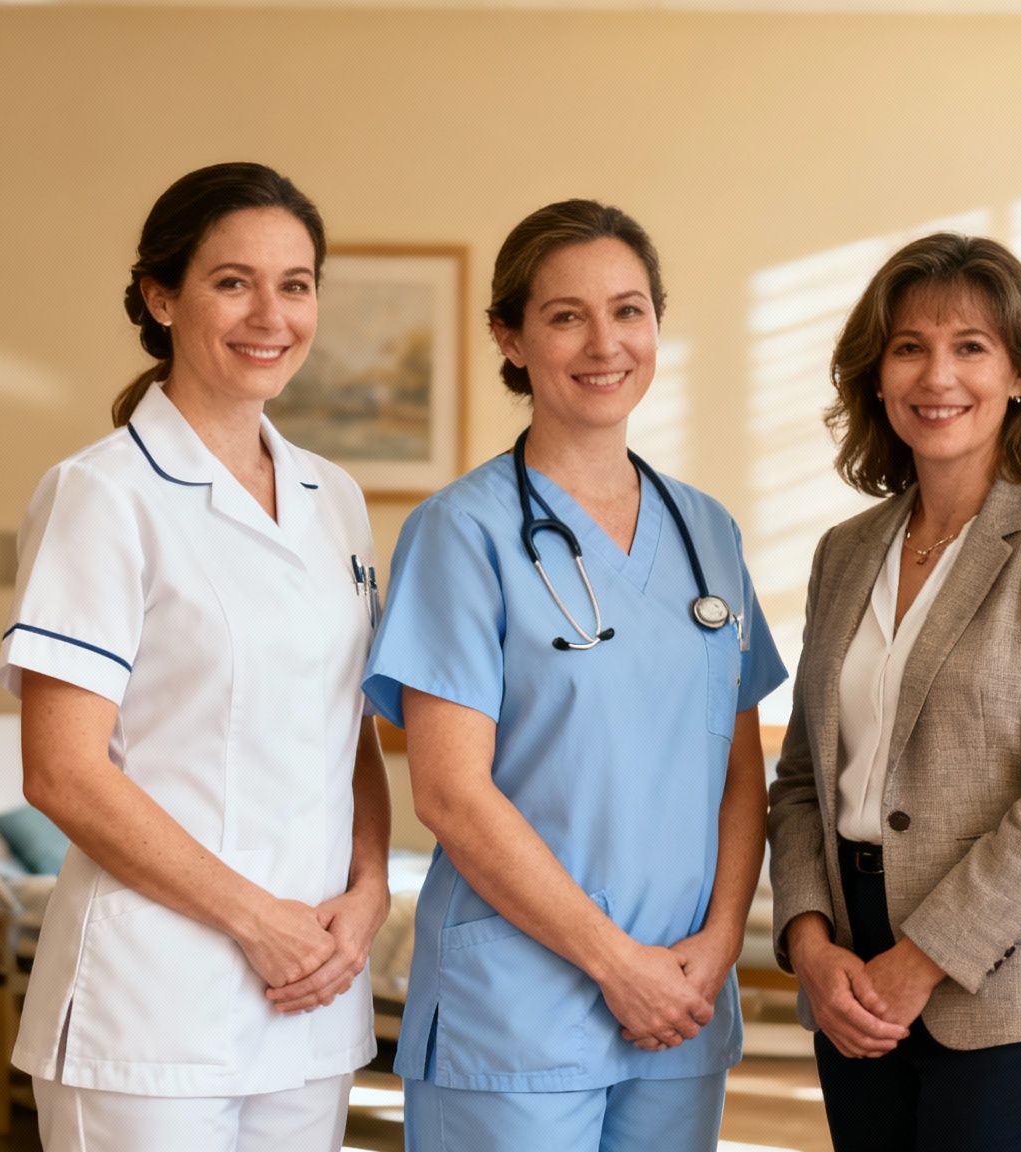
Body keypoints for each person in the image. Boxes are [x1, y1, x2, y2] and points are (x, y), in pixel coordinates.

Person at [362, 199, 787, 1152]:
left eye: (629, 311)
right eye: (565, 316)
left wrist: (716, 949)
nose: (605, 342)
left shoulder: (706, 531)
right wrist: (616, 965)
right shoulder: (460, 534)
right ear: (509, 338)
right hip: (521, 1010)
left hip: (680, 1002)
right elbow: (449, 793)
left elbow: (737, 769)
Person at [0, 162, 390, 1151]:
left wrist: (370, 886)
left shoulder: (332, 498)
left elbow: (350, 729)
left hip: (308, 1004)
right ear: (159, 295)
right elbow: (62, 772)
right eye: (232, 282)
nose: (271, 314)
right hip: (152, 1007)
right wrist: (259, 920)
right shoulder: (101, 494)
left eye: (294, 284)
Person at [767, 233, 1021, 1151]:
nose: (938, 374)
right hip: (852, 986)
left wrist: (921, 962)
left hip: (1012, 996)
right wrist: (812, 947)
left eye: (971, 346)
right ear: (878, 376)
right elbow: (803, 783)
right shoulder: (845, 552)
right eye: (909, 347)